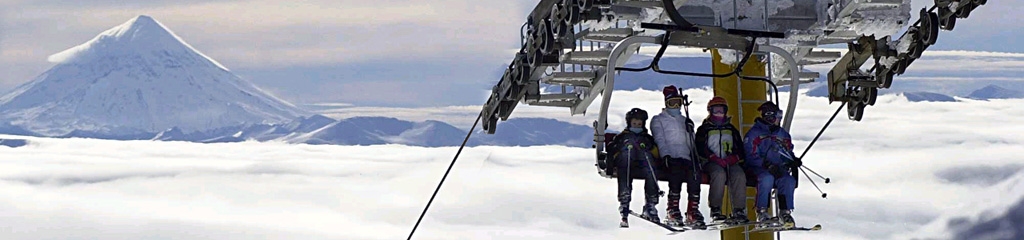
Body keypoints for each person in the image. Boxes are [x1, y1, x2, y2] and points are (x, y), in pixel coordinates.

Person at [649, 85, 702, 228]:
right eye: (672, 103)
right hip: (670, 157)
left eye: (678, 102)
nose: (676, 106)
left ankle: (693, 211)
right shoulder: (658, 120)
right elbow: (659, 138)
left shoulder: (684, 120)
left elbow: (691, 142)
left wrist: (691, 131)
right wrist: (665, 154)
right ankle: (672, 209)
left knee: (695, 175)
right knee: (676, 173)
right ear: (666, 103)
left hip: (685, 156)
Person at [744, 101, 802, 227]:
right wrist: (766, 165)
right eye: (777, 116)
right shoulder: (754, 134)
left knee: (788, 180)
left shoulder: (782, 134)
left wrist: (792, 160)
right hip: (759, 169)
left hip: (778, 168)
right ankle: (762, 211)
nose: (779, 120)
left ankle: (785, 212)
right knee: (766, 179)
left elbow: (786, 151)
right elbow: (750, 155)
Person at [695, 96, 749, 224]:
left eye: (721, 110)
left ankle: (739, 209)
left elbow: (740, 148)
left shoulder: (731, 129)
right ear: (710, 111)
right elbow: (699, 147)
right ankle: (716, 209)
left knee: (739, 175)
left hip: (729, 161)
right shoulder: (704, 129)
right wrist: (712, 157)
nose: (719, 113)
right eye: (716, 110)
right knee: (719, 174)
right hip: (710, 162)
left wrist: (734, 157)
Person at [607, 108, 662, 228]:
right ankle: (624, 200)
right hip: (626, 164)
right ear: (629, 123)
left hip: (642, 164)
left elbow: (656, 153)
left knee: (649, 163)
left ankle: (650, 203)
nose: (637, 126)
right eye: (634, 123)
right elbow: (612, 150)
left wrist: (648, 147)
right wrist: (623, 146)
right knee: (627, 156)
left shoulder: (647, 138)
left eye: (639, 124)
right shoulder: (622, 136)